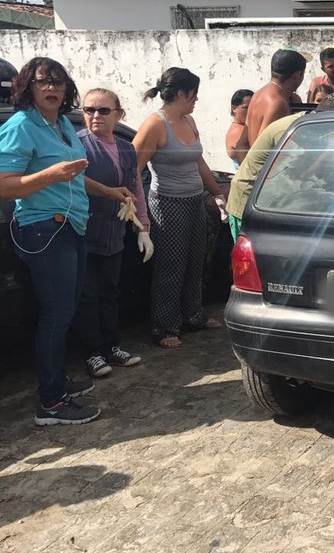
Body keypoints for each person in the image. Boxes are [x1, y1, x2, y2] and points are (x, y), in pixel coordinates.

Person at [0, 58, 130, 425]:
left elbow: (73, 176)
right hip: (42, 229)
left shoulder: (60, 125)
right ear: (28, 86)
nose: (51, 88)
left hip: (70, 226)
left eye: (57, 81)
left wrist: (109, 191)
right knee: (56, 316)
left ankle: (58, 383)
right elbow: (5, 184)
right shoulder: (22, 126)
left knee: (66, 310)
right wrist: (48, 175)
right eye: (42, 82)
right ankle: (51, 404)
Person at [133, 67, 228, 349]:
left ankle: (193, 315)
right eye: (194, 94)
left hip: (194, 200)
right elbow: (133, 169)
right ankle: (165, 327)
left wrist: (217, 193)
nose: (196, 100)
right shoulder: (155, 124)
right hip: (167, 203)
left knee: (195, 261)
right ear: (181, 93)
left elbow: (199, 163)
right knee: (171, 266)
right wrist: (138, 211)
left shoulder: (188, 120)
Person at [72, 88, 150, 378]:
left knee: (110, 292)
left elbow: (136, 187)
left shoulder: (126, 147)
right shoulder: (77, 145)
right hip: (84, 231)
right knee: (87, 295)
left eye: (104, 111)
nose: (95, 116)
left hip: (113, 233)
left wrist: (143, 227)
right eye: (89, 110)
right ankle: (92, 352)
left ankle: (112, 346)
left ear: (119, 115)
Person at [227, 92, 334, 240]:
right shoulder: (291, 132)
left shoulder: (314, 126)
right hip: (249, 202)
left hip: (272, 197)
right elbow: (291, 178)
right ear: (332, 121)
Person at [246, 49, 308, 146]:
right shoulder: (277, 103)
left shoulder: (258, 94)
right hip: (267, 161)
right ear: (298, 75)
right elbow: (265, 146)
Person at [225, 89, 253, 167]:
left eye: (253, 107)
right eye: (246, 108)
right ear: (234, 109)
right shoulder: (238, 131)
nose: (250, 111)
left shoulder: (245, 127)